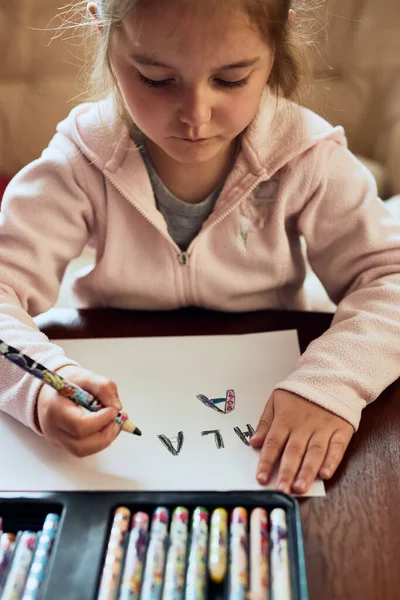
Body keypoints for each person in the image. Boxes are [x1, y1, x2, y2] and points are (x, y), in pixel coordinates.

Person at [0, 0, 399, 496]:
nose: (196, 115)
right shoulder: (78, 162)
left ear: (276, 44)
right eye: (155, 78)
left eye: (231, 80)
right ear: (104, 30)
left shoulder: (308, 159)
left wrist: (333, 382)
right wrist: (39, 386)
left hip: (271, 392)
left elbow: (391, 279)